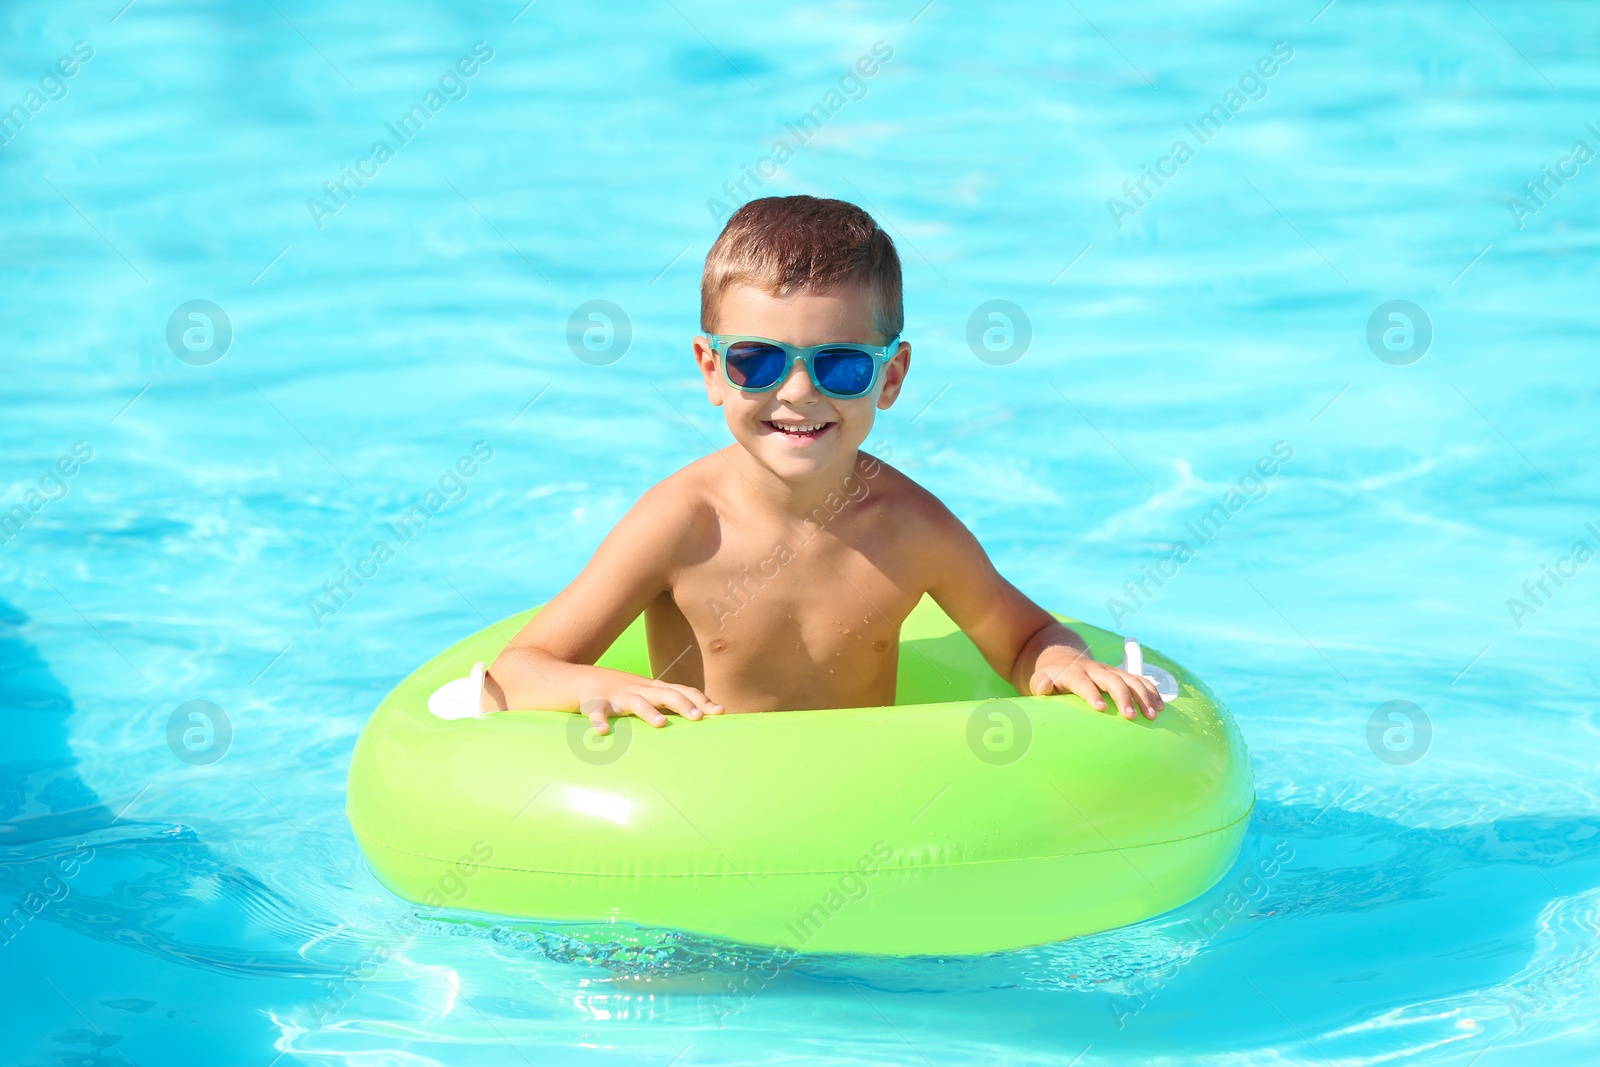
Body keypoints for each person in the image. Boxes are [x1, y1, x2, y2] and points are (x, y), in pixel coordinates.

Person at [482, 195, 1163, 732]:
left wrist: (1065, 663)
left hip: (857, 817)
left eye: (839, 365)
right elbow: (517, 669)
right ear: (711, 370)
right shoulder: (680, 526)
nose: (798, 392)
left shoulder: (910, 528)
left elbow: (1025, 639)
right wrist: (597, 685)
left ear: (891, 377)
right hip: (708, 810)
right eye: (758, 360)